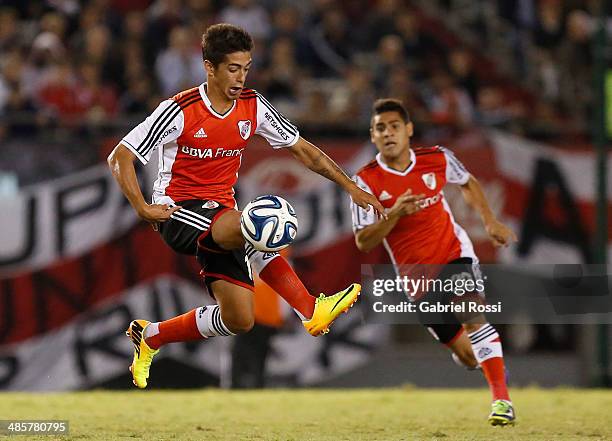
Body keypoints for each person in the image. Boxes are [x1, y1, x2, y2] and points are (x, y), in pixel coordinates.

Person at [107, 23, 383, 389]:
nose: (241, 77)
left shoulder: (252, 106)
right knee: (260, 220)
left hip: (222, 216)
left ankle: (151, 336)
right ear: (210, 67)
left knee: (240, 319)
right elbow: (120, 156)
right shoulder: (180, 110)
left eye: (247, 68)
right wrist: (142, 208)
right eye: (233, 68)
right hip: (178, 212)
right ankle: (310, 308)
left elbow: (302, 150)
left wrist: (350, 186)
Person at [351, 98, 517, 426]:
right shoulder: (365, 181)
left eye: (394, 126)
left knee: (473, 314)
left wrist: (489, 221)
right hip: (416, 280)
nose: (388, 133)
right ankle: (486, 361)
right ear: (373, 136)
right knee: (468, 354)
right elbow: (363, 240)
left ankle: (502, 401)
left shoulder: (437, 158)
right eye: (380, 128)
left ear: (409, 130)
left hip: (453, 254)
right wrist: (395, 212)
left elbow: (467, 183)